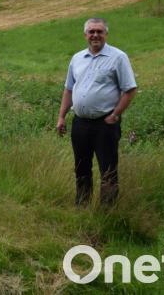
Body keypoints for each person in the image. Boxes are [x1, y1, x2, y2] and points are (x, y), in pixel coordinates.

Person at [56, 17, 137, 206]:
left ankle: (107, 212)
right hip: (80, 123)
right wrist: (61, 116)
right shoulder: (77, 58)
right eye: (91, 31)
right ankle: (82, 206)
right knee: (81, 168)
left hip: (105, 124)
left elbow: (130, 89)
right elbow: (69, 89)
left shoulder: (118, 57)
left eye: (99, 31)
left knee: (108, 170)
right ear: (85, 35)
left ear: (106, 34)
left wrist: (115, 114)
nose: (95, 35)